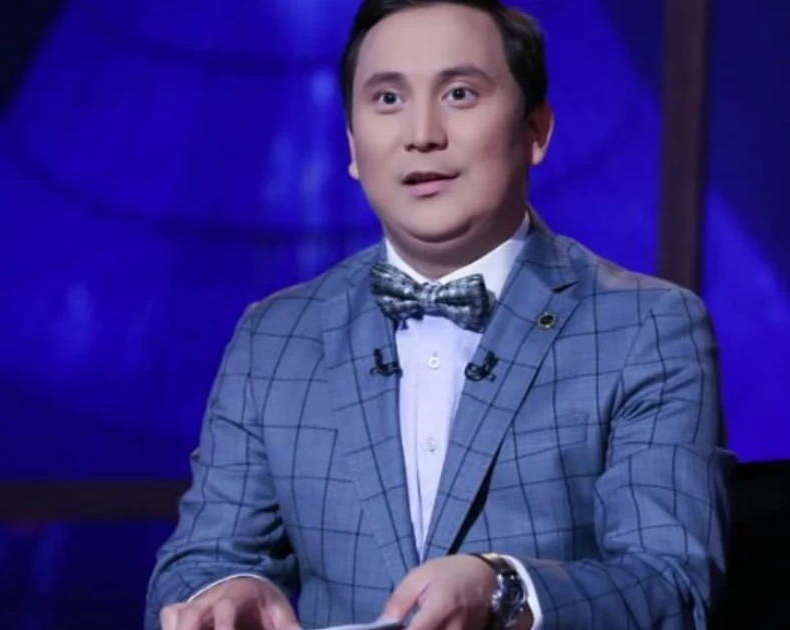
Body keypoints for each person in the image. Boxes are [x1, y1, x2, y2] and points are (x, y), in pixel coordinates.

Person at [145, 0, 733, 628]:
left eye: (459, 93)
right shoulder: (273, 337)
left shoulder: (647, 327)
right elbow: (195, 564)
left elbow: (673, 588)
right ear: (352, 146)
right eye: (388, 99)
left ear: (536, 131)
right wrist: (226, 591)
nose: (422, 133)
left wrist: (506, 590)